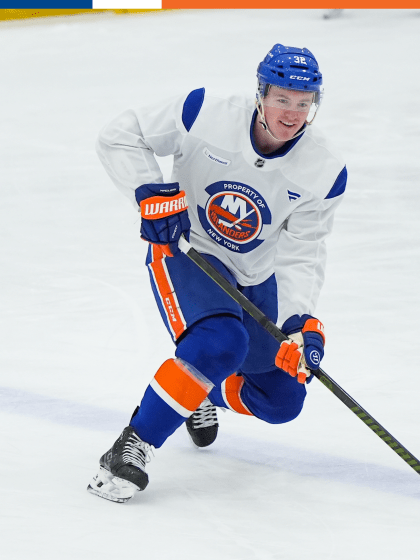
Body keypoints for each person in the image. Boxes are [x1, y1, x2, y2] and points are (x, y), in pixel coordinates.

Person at [87, 43, 347, 503]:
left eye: (303, 103)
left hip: (256, 275)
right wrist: (149, 192)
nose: (291, 113)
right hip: (189, 254)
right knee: (222, 343)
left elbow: (302, 252)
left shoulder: (325, 170)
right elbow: (121, 135)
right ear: (261, 94)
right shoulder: (204, 111)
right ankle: (132, 447)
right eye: (282, 98)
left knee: (283, 400)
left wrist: (297, 324)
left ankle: (200, 392)